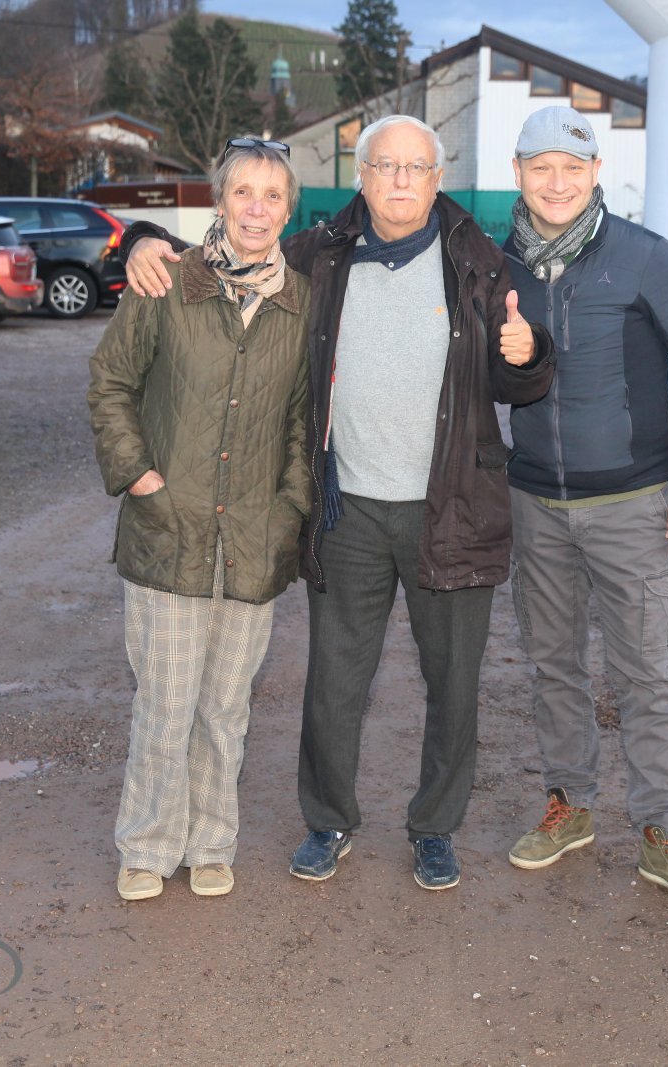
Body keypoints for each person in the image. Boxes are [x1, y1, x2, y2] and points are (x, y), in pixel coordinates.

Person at [120, 115, 553, 892]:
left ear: (437, 178)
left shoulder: (482, 263)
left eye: (415, 167)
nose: (400, 179)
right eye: (385, 165)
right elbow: (228, 251)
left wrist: (528, 355)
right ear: (362, 175)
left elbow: (519, 376)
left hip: (451, 508)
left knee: (454, 682)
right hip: (346, 506)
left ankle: (435, 828)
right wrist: (141, 238)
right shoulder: (316, 254)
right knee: (334, 682)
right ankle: (328, 821)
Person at [499, 106, 668, 910]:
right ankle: (569, 804)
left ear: (597, 172)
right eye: (541, 167)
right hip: (535, 500)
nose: (556, 182)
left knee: (642, 674)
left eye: (572, 167)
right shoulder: (499, 264)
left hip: (631, 503)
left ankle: (667, 832)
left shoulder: (644, 257)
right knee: (553, 664)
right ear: (519, 173)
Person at [87, 138, 311, 901]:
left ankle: (211, 840)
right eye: (243, 191)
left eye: (272, 195)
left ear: (289, 209)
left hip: (253, 538)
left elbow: (302, 423)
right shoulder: (165, 283)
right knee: (165, 703)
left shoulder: (300, 303)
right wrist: (139, 476)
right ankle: (148, 845)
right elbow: (110, 383)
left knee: (225, 708)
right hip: (169, 528)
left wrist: (290, 507)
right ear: (219, 200)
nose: (257, 209)